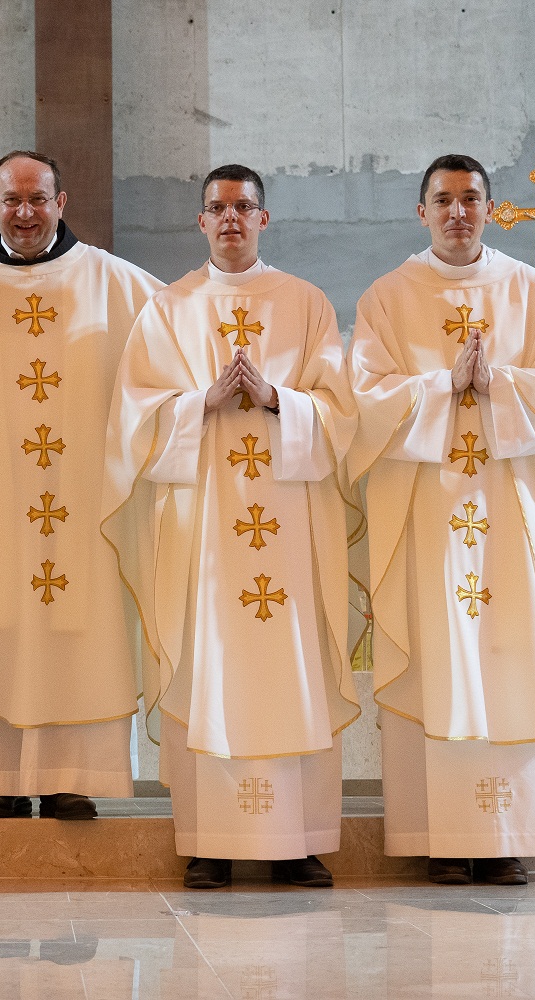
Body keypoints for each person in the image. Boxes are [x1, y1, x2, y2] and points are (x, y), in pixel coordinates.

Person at [348, 153, 535, 885]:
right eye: (443, 200)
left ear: (491, 209)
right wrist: (445, 385)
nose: (457, 212)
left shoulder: (532, 294)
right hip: (430, 518)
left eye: (471, 199)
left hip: (513, 521)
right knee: (440, 663)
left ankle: (508, 836)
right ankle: (440, 836)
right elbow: (365, 400)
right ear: (421, 212)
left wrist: (495, 382)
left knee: (511, 659)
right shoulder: (388, 297)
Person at [103, 164, 360, 889]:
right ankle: (209, 840)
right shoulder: (168, 308)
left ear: (264, 219)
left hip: (288, 520)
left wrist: (279, 397)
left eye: (244, 207)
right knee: (206, 663)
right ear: (200, 221)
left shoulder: (306, 303)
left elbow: (342, 415)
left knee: (293, 669)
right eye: (217, 209)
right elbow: (132, 419)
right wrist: (201, 403)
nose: (231, 220)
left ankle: (299, 841)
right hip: (205, 530)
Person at [0, 151, 163, 819]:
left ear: (61, 200)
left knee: (86, 633)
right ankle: (0, 780)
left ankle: (73, 777)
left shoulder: (118, 285)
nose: (24, 213)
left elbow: (187, 339)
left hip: (85, 511)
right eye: (11, 200)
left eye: (37, 199)